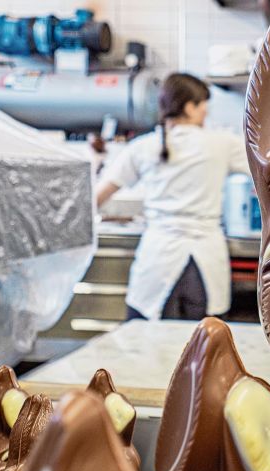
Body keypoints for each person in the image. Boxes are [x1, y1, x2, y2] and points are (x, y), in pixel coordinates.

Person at [96, 73, 249, 321]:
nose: (205, 114)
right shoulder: (222, 144)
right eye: (203, 107)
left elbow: (98, 196)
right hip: (205, 262)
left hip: (157, 259)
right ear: (190, 107)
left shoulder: (143, 147)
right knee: (202, 352)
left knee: (147, 348)